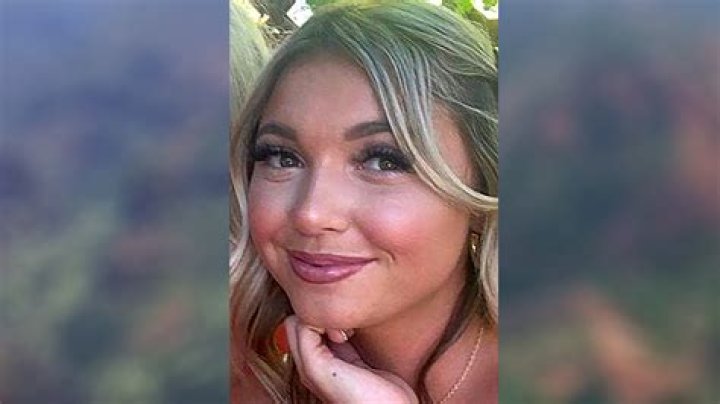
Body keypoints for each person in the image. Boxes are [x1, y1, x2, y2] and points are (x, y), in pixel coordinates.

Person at [230, 2, 498, 402]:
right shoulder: (250, 378)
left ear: (482, 191)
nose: (311, 214)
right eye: (283, 157)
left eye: (383, 160)